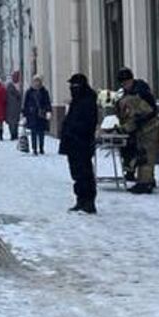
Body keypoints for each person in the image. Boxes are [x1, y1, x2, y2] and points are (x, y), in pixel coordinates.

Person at [113, 68, 159, 195]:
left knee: (146, 155)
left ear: (130, 80)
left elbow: (145, 113)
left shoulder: (139, 93)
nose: (124, 86)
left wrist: (128, 127)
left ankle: (145, 184)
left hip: (149, 127)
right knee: (142, 154)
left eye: (125, 83)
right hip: (142, 128)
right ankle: (146, 180)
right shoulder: (130, 92)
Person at [60, 73, 100, 213]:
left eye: (74, 85)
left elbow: (88, 122)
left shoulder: (87, 100)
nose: (72, 88)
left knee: (84, 173)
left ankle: (88, 202)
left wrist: (75, 132)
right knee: (77, 173)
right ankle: (80, 200)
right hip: (73, 142)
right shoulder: (77, 100)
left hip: (81, 142)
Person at [22, 75, 52, 155]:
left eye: (38, 81)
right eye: (35, 81)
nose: (37, 83)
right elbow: (25, 104)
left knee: (41, 133)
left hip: (41, 115)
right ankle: (34, 148)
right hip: (32, 115)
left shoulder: (44, 92)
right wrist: (24, 115)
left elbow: (47, 102)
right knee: (33, 133)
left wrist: (48, 111)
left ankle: (41, 148)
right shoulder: (29, 92)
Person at [5, 72, 25, 150]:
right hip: (14, 107)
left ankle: (13, 134)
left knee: (12, 122)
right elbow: (18, 96)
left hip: (10, 107)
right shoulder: (14, 87)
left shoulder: (9, 88)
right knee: (14, 121)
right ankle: (14, 134)